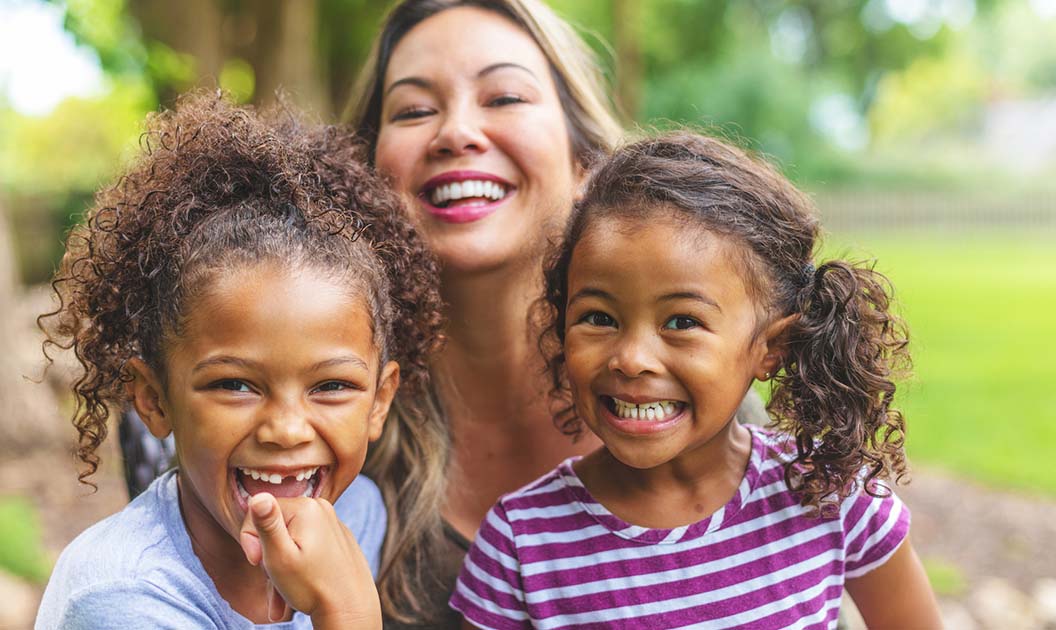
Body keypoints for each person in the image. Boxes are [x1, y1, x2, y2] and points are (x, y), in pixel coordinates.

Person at [449, 132, 943, 629]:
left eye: (682, 322)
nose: (632, 358)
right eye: (598, 318)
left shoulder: (829, 496)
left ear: (771, 349)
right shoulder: (521, 544)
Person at [36, 93, 443, 628]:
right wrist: (344, 611)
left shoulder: (358, 513)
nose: (286, 429)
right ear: (154, 400)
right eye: (235, 384)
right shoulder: (121, 598)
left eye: (332, 387)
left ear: (379, 401)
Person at [343, 1, 624, 625]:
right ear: (364, 175)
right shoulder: (318, 429)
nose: (456, 132)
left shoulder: (694, 400)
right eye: (415, 110)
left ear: (586, 161)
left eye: (504, 98)